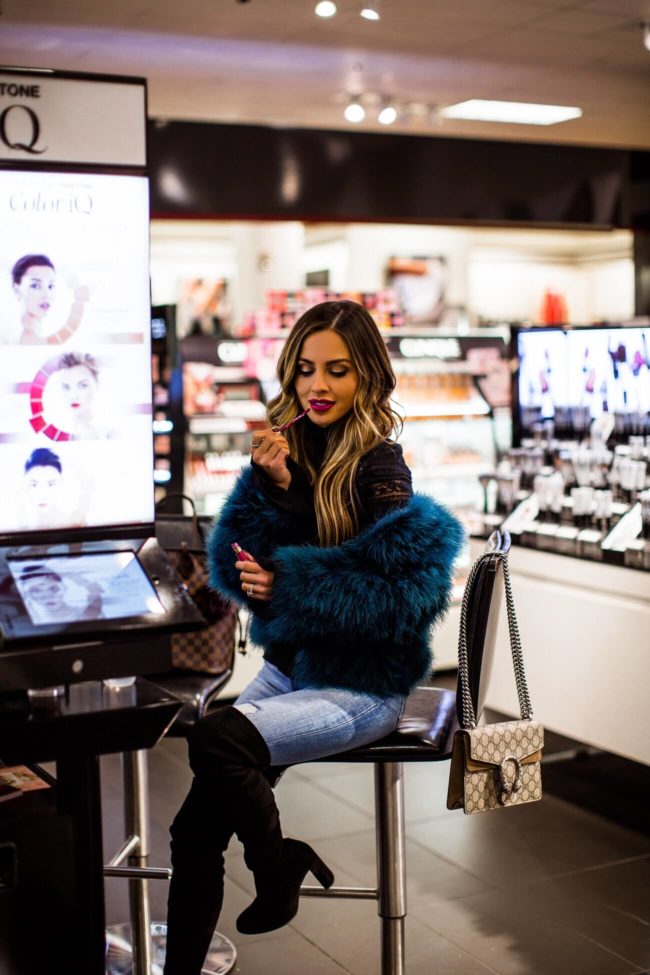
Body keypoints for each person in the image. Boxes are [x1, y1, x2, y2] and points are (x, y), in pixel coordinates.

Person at [162, 300, 464, 975]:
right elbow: (239, 566)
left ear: (368, 379)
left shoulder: (383, 470)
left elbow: (402, 599)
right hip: (292, 669)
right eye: (305, 370)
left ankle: (276, 867)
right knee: (191, 831)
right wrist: (269, 489)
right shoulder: (296, 451)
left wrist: (290, 585)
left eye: (337, 371)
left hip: (362, 683)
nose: (316, 386)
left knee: (215, 737)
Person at [11, 253, 88, 345]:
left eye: (50, 286)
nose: (46, 294)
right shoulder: (28, 337)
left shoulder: (37, 333)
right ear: (17, 290)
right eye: (35, 286)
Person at [48, 351, 107, 438]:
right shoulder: (54, 432)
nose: (73, 396)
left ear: (97, 383)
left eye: (82, 386)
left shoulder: (108, 432)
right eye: (66, 387)